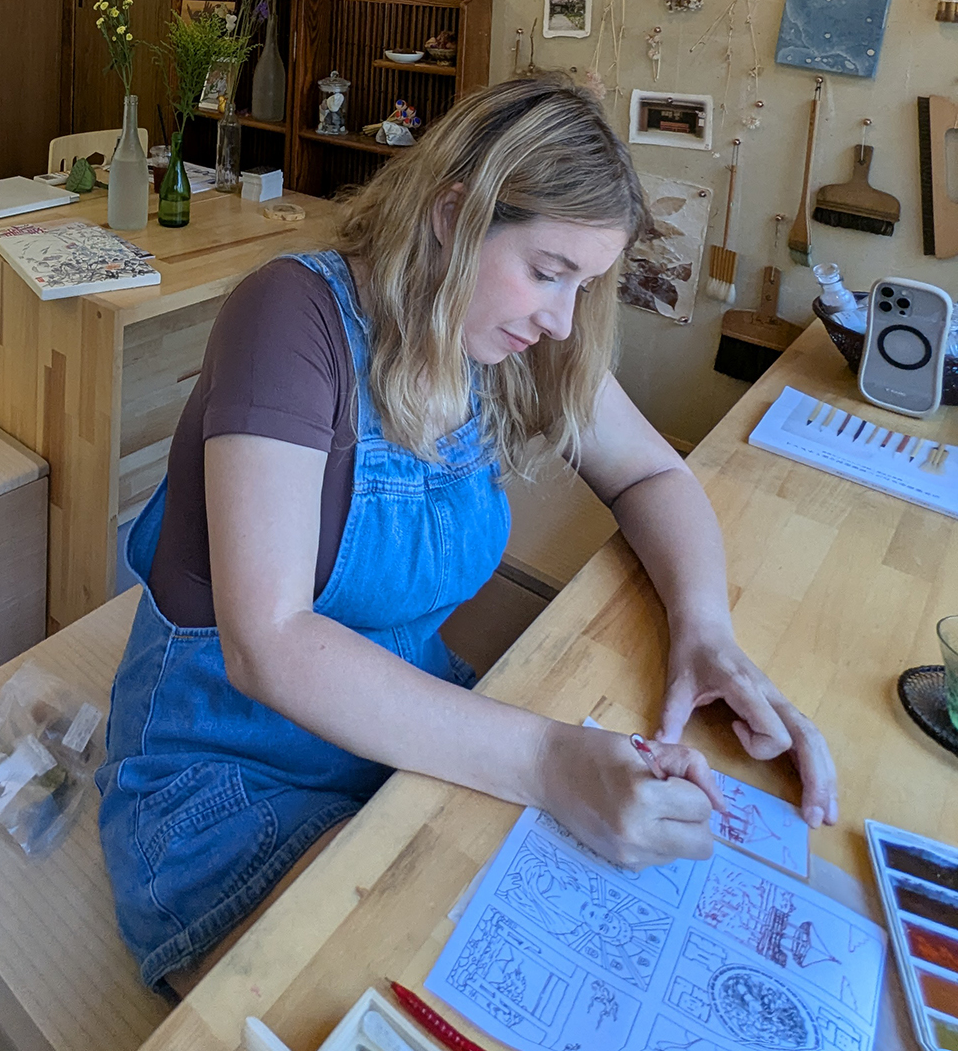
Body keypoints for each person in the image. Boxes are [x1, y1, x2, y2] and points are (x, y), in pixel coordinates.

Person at [96, 76, 836, 995]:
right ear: (453, 216)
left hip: (410, 726)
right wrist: (549, 760)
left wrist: (706, 629)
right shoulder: (290, 318)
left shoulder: (511, 338)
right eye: (548, 272)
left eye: (584, 285)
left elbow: (653, 474)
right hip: (231, 777)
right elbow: (269, 642)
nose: (561, 319)